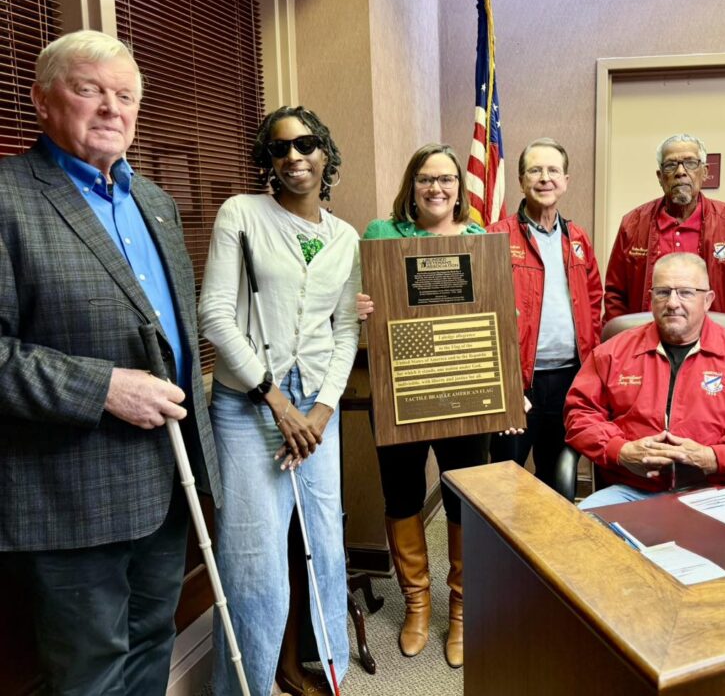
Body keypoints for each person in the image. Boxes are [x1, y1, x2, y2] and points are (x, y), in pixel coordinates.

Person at [0, 30, 220, 695]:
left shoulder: (154, 201)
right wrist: (103, 387)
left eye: (124, 95)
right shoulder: (8, 197)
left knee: (153, 643)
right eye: (88, 89)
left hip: (166, 480)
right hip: (73, 491)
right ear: (42, 101)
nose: (110, 108)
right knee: (91, 672)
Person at [198, 106, 359, 696]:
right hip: (249, 407)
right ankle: (246, 686)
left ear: (325, 154)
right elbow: (214, 314)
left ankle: (319, 668)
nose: (294, 156)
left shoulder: (345, 238)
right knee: (252, 561)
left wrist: (319, 410)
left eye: (306, 144)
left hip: (318, 406)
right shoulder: (241, 215)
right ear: (267, 161)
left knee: (324, 544)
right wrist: (276, 401)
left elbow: (345, 331)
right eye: (279, 148)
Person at [358, 143, 523, 669]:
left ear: (460, 186)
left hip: (464, 391)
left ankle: (460, 610)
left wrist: (508, 384)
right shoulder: (383, 236)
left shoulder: (481, 242)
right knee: (403, 495)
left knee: (461, 499)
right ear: (413, 184)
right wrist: (358, 303)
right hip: (403, 388)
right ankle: (417, 606)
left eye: (447, 179)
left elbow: (500, 321)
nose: (437, 188)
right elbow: (356, 304)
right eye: (427, 179)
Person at [565, 253, 725, 509]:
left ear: (708, 300)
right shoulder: (612, 353)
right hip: (632, 491)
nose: (672, 303)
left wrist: (715, 457)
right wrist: (619, 450)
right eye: (663, 292)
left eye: (686, 293)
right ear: (651, 298)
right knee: (581, 530)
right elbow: (580, 413)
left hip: (719, 492)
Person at [486, 138, 603, 498]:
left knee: (558, 476)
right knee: (506, 480)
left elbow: (596, 303)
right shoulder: (496, 236)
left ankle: (549, 552)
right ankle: (506, 554)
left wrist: (592, 374)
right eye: (535, 170)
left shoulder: (578, 238)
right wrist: (504, 386)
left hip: (570, 379)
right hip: (520, 384)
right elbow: (484, 314)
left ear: (566, 181)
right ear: (521, 181)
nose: (544, 178)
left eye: (553, 170)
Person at [603, 133, 725, 324]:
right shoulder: (633, 225)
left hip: (713, 343)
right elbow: (616, 295)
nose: (680, 172)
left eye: (690, 163)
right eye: (670, 165)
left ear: (705, 172)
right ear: (660, 177)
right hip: (647, 342)